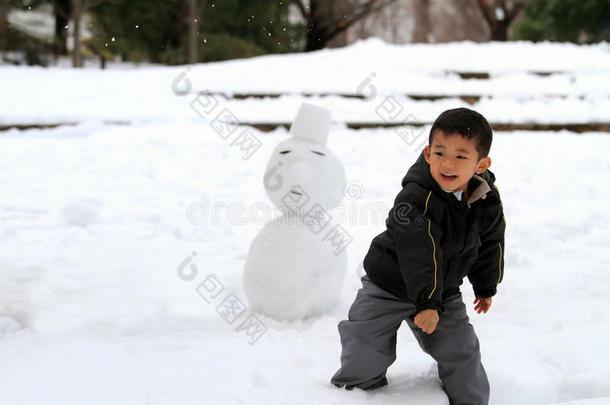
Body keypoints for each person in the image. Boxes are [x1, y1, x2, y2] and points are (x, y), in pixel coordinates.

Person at [331, 107, 506, 405]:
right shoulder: (415, 198)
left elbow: (491, 241)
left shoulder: (485, 198)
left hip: (443, 290)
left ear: (481, 164)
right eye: (439, 153)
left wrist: (485, 285)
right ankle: (356, 394)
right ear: (427, 154)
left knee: (460, 350)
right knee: (365, 346)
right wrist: (427, 302)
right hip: (388, 285)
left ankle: (470, 400)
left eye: (461, 156)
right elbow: (419, 251)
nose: (447, 164)